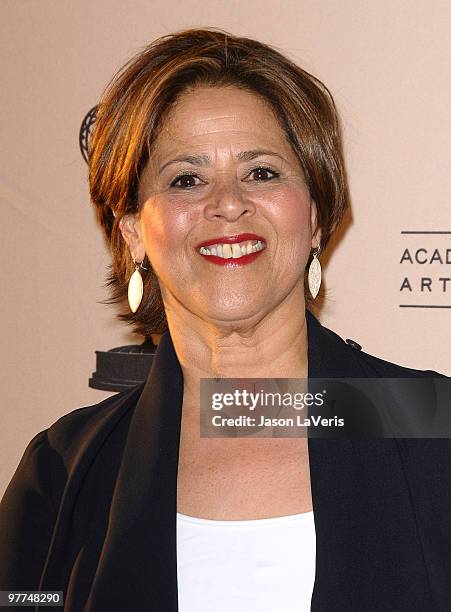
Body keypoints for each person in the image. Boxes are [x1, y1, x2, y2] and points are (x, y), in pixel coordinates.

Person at [0, 27, 449, 612]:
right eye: (186, 179)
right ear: (133, 232)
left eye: (261, 172)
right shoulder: (67, 469)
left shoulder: (434, 429)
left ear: (314, 216)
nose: (228, 202)